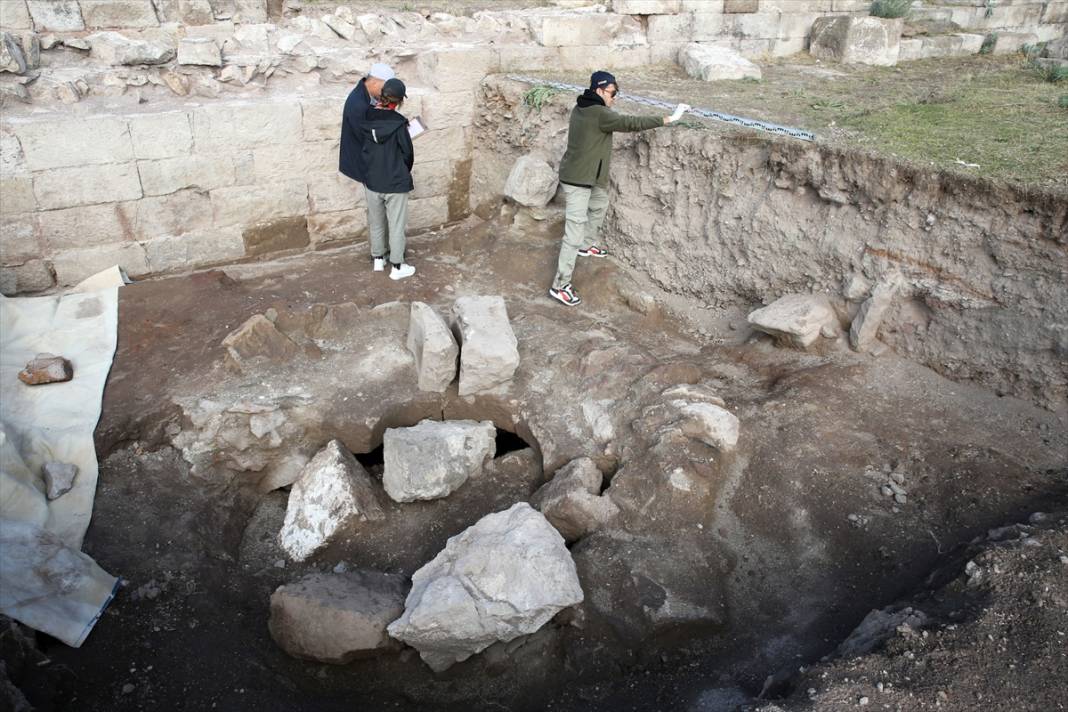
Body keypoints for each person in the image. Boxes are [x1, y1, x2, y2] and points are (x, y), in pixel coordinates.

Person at [549, 71, 690, 307]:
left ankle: (587, 245)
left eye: (617, 93)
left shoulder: (581, 106)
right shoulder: (600, 114)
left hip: (588, 177)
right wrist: (670, 118)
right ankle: (559, 286)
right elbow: (630, 123)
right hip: (577, 181)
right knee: (573, 234)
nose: (615, 97)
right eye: (613, 93)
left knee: (600, 204)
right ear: (599, 91)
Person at [339, 63, 398, 269]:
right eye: (383, 89)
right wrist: (396, 133)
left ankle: (380, 255)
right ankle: (385, 255)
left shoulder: (365, 96)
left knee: (378, 212)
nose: (385, 94)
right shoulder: (358, 104)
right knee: (380, 214)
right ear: (373, 81)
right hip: (369, 165)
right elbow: (369, 138)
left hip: (373, 164)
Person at [360, 77, 416, 280]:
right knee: (396, 225)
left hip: (372, 181)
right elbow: (408, 154)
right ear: (398, 101)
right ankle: (398, 267)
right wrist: (402, 170)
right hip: (394, 181)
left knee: (376, 221)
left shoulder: (366, 116)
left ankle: (378, 258)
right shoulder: (399, 124)